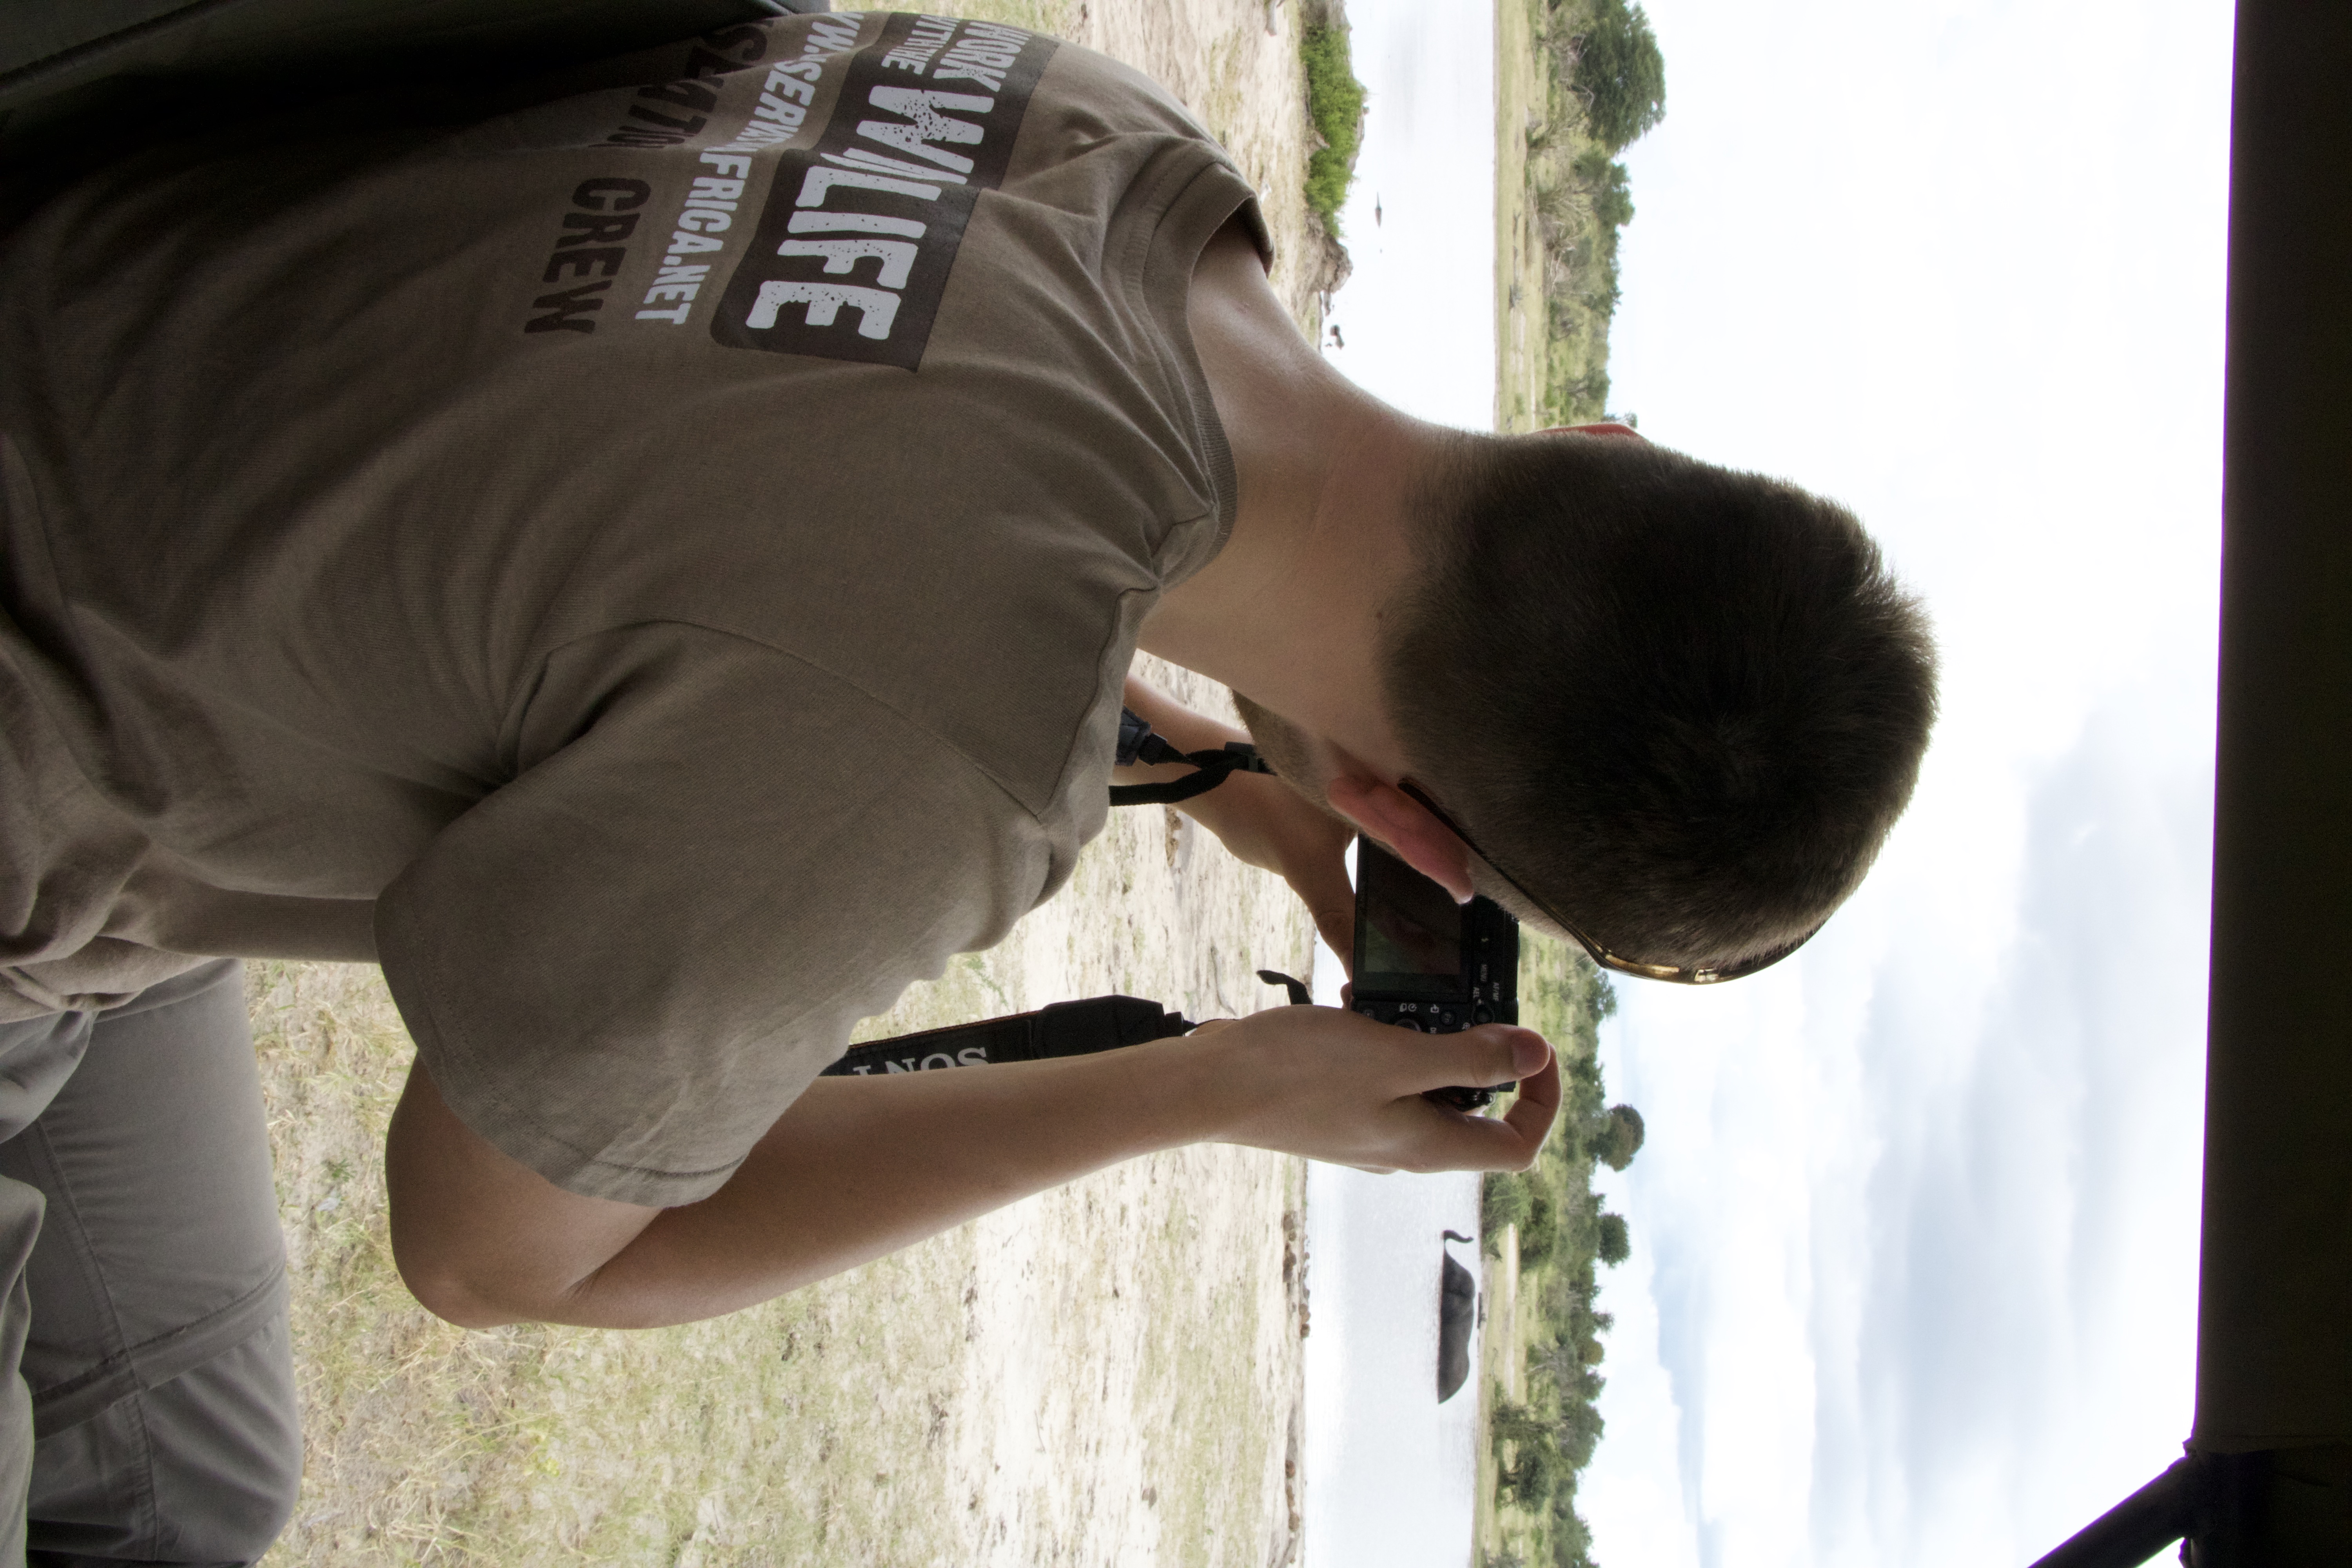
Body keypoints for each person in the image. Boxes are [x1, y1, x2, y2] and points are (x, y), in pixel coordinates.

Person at [0, 7, 1936, 1559]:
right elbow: (491, 1254)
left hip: (96, 348)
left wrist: (1255, 785)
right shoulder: (938, 753)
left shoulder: (1120, 150)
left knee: (199, 1475)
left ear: (1599, 435)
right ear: (1431, 835)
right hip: (48, 805)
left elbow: (820, 478)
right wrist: (1213, 1088)